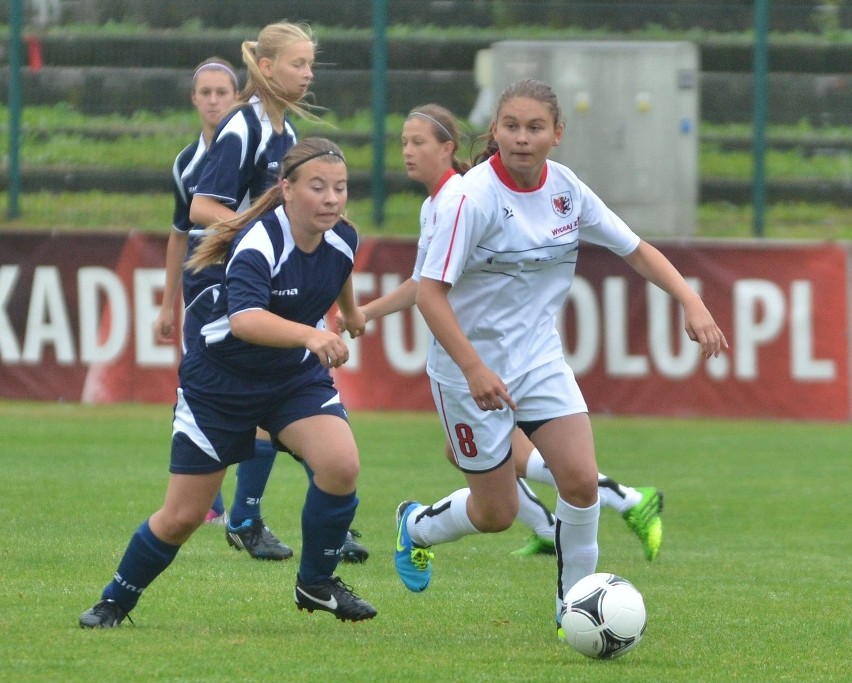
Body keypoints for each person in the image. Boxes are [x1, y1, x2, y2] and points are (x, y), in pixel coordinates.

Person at [392, 80, 727, 639]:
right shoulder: (468, 199)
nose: (522, 139)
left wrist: (692, 301)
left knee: (578, 482)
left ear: (557, 134)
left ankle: (573, 610)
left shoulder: (567, 190)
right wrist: (474, 368)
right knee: (496, 514)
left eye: (535, 128)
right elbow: (429, 294)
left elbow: (636, 249)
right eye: (512, 127)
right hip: (465, 371)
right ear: (494, 131)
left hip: (539, 361)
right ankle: (416, 526)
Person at [79, 138, 377, 628]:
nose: (331, 198)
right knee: (182, 516)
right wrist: (311, 333)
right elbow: (244, 321)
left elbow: (339, 267)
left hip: (290, 376)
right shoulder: (260, 241)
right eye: (318, 187)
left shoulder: (343, 236)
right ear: (285, 189)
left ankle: (316, 584)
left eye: (340, 188)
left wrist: (348, 312)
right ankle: (115, 601)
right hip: (220, 382)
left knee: (340, 464)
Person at [344, 103, 663, 561]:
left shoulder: (467, 198)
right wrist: (367, 314)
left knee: (543, 474)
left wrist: (365, 313)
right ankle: (595, 509)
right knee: (490, 489)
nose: (408, 152)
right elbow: (424, 285)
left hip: (520, 360)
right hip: (472, 367)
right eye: (403, 143)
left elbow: (425, 289)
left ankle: (610, 507)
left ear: (447, 148)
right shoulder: (437, 205)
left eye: (418, 142)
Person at [187, 23, 368, 563]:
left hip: (257, 280)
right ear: (265, 68)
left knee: (293, 391)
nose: (307, 74)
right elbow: (202, 208)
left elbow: (330, 233)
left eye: (311, 65)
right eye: (298, 64)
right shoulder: (244, 127)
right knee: (274, 393)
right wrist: (260, 242)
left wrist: (349, 307)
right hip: (222, 289)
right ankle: (249, 514)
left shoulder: (285, 134)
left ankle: (299, 514)